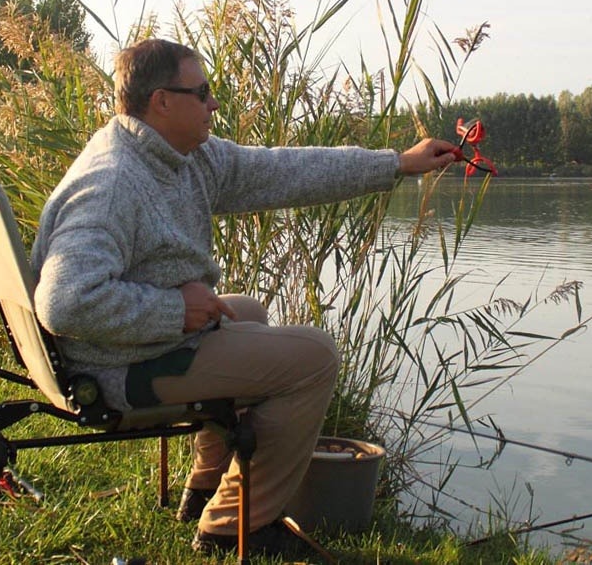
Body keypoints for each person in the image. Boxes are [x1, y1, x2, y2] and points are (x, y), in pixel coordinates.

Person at [30, 38, 458, 557]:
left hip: (134, 349)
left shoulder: (178, 158)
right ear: (162, 101)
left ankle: (207, 487)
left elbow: (283, 171)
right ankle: (237, 526)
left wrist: (396, 163)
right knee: (315, 356)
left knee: (247, 310)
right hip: (115, 372)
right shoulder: (114, 182)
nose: (214, 104)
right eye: (202, 92)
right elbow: (65, 301)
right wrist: (173, 309)